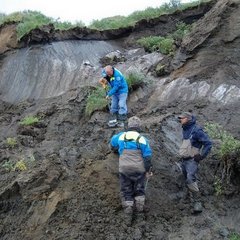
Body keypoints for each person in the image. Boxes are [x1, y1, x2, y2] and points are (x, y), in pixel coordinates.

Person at [110, 116, 152, 225]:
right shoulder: (142, 139)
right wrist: (147, 171)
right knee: (139, 190)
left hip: (124, 168)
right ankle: (140, 214)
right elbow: (147, 157)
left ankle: (128, 214)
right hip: (139, 169)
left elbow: (112, 143)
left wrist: (116, 149)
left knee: (126, 190)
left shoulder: (121, 136)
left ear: (128, 126)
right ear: (139, 126)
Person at [178, 112, 212, 213]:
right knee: (186, 179)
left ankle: (197, 203)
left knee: (190, 178)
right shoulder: (185, 129)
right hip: (184, 159)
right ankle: (189, 197)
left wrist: (201, 156)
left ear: (188, 119)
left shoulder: (197, 130)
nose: (180, 120)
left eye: (182, 118)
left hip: (192, 160)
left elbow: (208, 144)